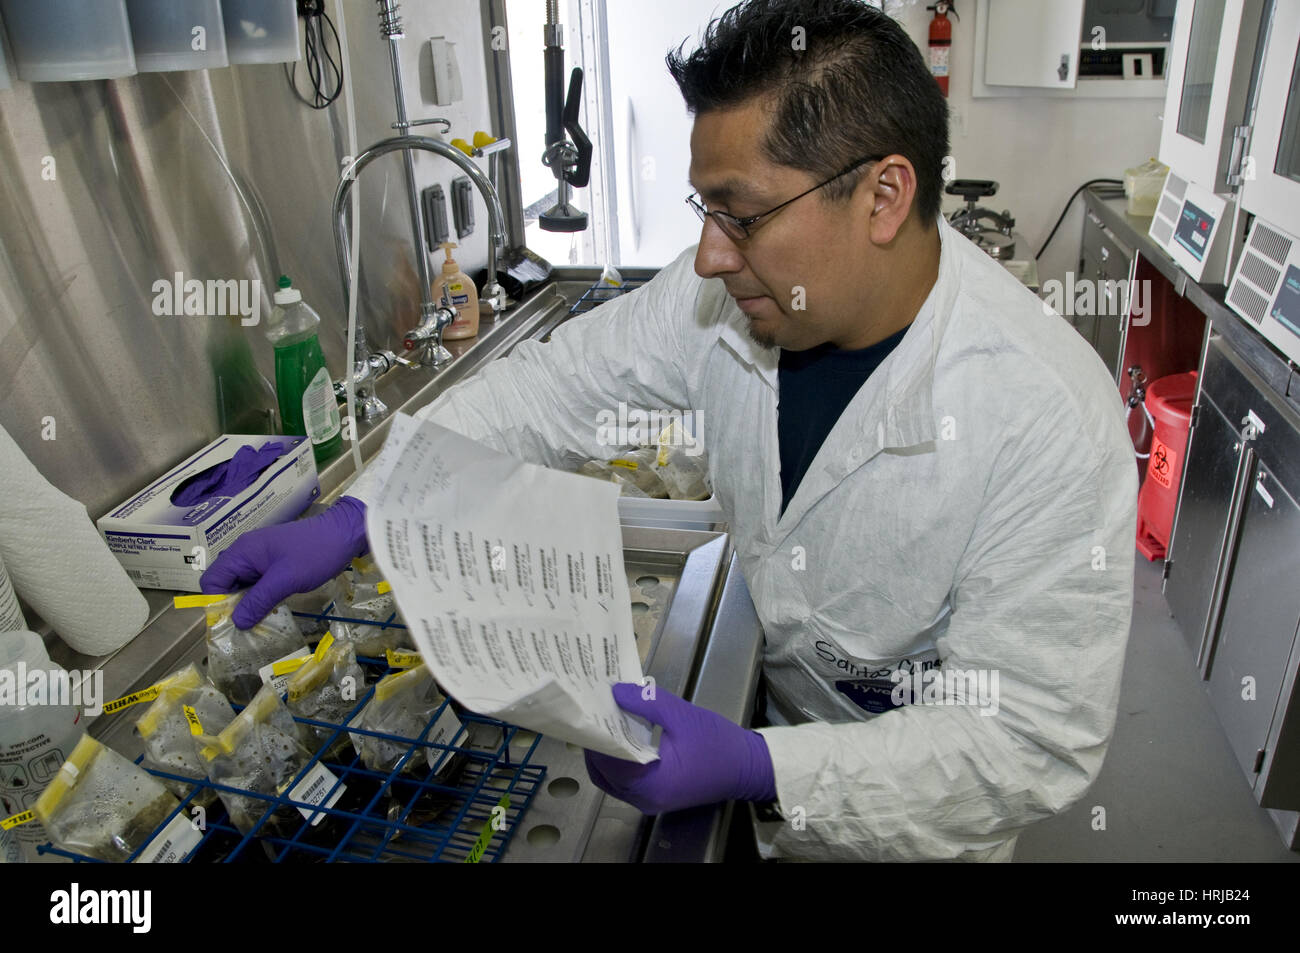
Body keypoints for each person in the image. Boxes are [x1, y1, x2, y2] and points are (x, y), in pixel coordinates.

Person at [202, 0, 1136, 862]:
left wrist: (766, 769)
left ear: (885, 197)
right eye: (705, 210)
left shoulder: (1046, 414)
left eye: (742, 214)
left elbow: (1025, 740)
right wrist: (366, 506)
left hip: (919, 826)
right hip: (777, 719)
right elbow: (553, 388)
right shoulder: (725, 301)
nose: (708, 253)